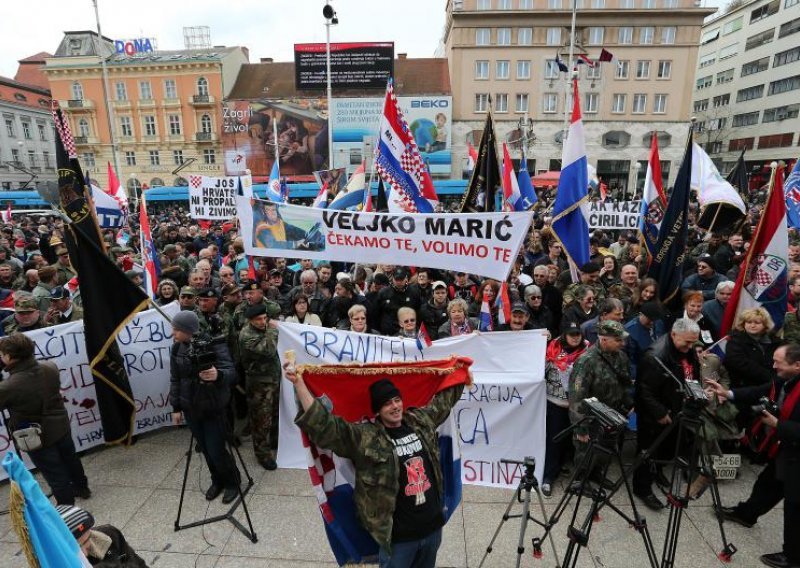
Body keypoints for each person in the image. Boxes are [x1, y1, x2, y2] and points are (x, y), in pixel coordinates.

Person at [287, 365, 464, 567]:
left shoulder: (419, 421)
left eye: (397, 400)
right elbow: (326, 426)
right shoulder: (365, 437)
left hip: (433, 529)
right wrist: (299, 383)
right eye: (387, 403)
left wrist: (460, 371)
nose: (395, 406)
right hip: (398, 540)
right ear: (378, 411)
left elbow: (443, 403)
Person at [707, 343, 800, 568]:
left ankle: (794, 557)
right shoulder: (785, 379)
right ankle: (747, 514)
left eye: (779, 362)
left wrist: (778, 424)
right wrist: (727, 393)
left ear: (797, 365)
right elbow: (760, 391)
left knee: (795, 507)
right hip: (787, 451)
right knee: (768, 483)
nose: (773, 365)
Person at [0, 333, 90, 505]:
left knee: (55, 473)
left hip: (37, 435)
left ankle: (67, 509)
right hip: (61, 425)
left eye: (2, 355)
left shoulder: (8, 386)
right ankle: (82, 487)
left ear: (10, 357)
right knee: (71, 459)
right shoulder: (50, 367)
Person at [169, 311, 241, 503]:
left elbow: (231, 372)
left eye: (176, 329)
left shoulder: (213, 344)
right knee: (206, 451)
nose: (172, 333)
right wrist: (176, 407)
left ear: (187, 330)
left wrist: (218, 375)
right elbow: (175, 379)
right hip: (190, 408)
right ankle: (216, 480)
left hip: (212, 406)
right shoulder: (177, 349)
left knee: (216, 449)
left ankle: (232, 482)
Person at [633, 318, 701, 510]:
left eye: (692, 342)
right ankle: (642, 488)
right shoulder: (655, 356)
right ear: (673, 334)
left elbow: (691, 372)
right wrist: (660, 412)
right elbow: (644, 391)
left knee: (668, 447)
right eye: (686, 342)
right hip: (655, 414)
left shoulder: (684, 349)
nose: (689, 347)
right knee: (647, 451)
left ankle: (658, 470)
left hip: (677, 408)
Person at [568, 320, 633, 485]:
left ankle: (596, 474)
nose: (622, 343)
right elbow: (577, 397)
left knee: (605, 452)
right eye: (618, 340)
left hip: (612, 416)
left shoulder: (621, 357)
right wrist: (580, 428)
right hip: (591, 419)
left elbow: (625, 382)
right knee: (585, 454)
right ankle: (581, 482)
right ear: (604, 339)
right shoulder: (586, 361)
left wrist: (629, 403)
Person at [542, 320, 590, 496]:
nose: (575, 338)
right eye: (571, 334)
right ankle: (548, 477)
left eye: (577, 334)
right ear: (564, 335)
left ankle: (563, 465)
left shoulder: (587, 352)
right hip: (555, 403)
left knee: (571, 441)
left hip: (577, 406)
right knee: (554, 439)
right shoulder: (551, 349)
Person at [238, 303, 282, 470]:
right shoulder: (247, 335)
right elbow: (269, 350)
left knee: (275, 414)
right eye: (258, 319)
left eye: (265, 318)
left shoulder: (262, 329)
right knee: (261, 420)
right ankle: (262, 454)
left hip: (272, 380)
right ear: (250, 320)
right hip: (259, 385)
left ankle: (274, 442)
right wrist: (272, 329)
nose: (263, 322)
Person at [57, 504, 148, 567]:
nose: (84, 553)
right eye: (73, 548)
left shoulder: (109, 535)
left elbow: (138, 563)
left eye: (86, 540)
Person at [724, 307, 778, 389]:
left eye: (757, 323)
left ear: (765, 325)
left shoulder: (775, 342)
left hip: (770, 386)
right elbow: (741, 364)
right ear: (743, 324)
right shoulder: (735, 341)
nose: (752, 325)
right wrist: (770, 377)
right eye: (749, 322)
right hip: (742, 386)